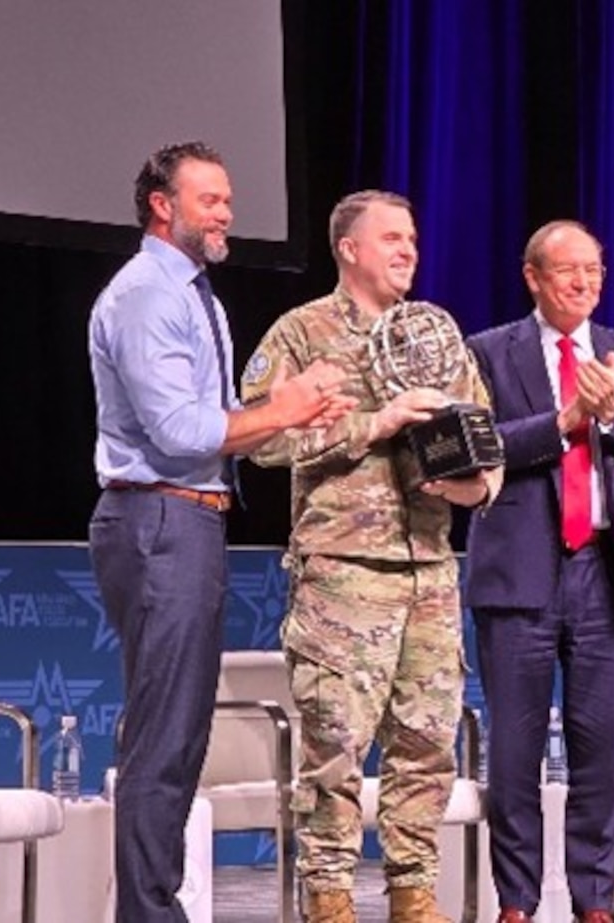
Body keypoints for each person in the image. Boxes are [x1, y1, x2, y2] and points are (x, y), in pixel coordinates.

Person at [88, 141, 354, 923]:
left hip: (186, 520)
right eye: (211, 199)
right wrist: (287, 407)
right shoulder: (147, 294)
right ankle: (149, 914)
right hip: (160, 515)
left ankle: (153, 906)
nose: (227, 212)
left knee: (175, 736)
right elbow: (176, 430)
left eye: (228, 199)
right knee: (162, 740)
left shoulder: (190, 291)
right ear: (162, 205)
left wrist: (287, 411)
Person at [241, 190, 500, 923]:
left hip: (429, 572)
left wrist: (476, 486)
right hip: (344, 574)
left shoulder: (436, 339)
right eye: (391, 237)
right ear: (348, 248)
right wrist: (371, 423)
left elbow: (489, 441)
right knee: (333, 750)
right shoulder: (302, 333)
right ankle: (329, 900)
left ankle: (414, 895)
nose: (408, 249)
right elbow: (256, 437)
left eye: (412, 237)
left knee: (426, 746)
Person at [463, 220, 614, 923]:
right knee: (516, 751)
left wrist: (612, 417)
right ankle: (518, 899)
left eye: (594, 270)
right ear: (533, 277)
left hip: (604, 575)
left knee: (600, 746)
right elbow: (476, 448)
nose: (584, 282)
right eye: (568, 270)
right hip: (520, 574)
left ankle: (594, 896)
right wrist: (563, 419)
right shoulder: (490, 352)